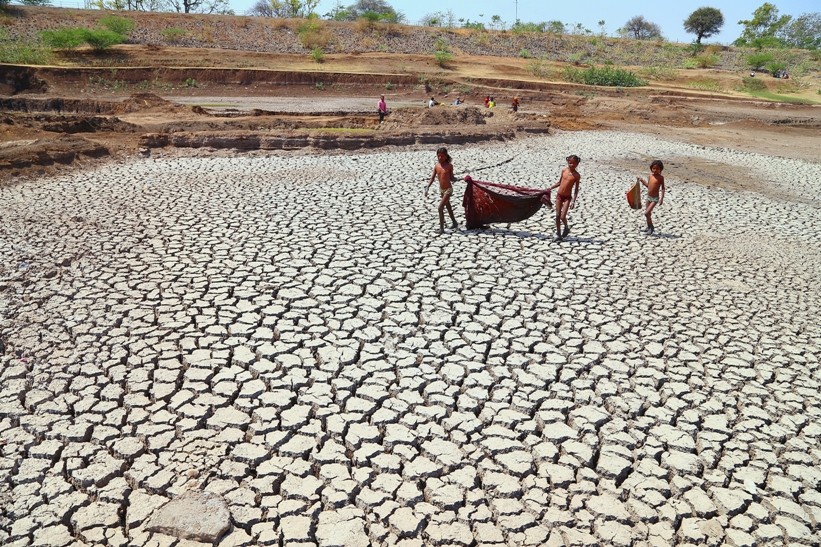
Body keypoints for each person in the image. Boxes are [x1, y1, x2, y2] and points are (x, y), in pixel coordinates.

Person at [425, 147, 459, 234]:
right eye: (438, 156)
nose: (440, 158)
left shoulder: (449, 166)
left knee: (440, 208)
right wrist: (427, 187)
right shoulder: (436, 166)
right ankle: (454, 222)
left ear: (446, 157)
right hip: (441, 190)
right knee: (448, 206)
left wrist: (458, 179)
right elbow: (432, 178)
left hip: (448, 189)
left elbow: (451, 178)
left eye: (442, 156)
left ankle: (441, 229)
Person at [547, 155, 581, 242]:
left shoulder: (576, 175)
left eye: (574, 163)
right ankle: (558, 234)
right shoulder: (564, 170)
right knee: (557, 215)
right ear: (567, 162)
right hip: (559, 196)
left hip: (567, 198)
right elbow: (559, 182)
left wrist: (573, 201)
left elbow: (576, 189)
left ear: (577, 164)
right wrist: (550, 187)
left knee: (563, 216)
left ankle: (566, 227)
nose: (572, 165)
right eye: (570, 163)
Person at [637, 159, 665, 234]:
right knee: (648, 214)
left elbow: (663, 188)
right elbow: (648, 186)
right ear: (651, 168)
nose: (655, 170)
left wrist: (662, 198)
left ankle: (651, 227)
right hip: (648, 197)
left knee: (646, 213)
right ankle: (648, 227)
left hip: (655, 199)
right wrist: (642, 181)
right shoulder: (650, 176)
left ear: (660, 169)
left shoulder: (660, 178)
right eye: (653, 168)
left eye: (657, 169)